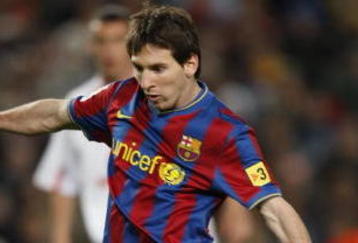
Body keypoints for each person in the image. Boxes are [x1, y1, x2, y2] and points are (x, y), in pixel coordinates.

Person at [0, 4, 311, 243]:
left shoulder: (226, 132)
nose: (147, 82)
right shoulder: (120, 98)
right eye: (139, 68)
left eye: (159, 69)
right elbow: (54, 114)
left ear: (190, 63)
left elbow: (274, 208)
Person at [32, 5, 133, 243]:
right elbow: (62, 180)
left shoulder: (163, 94)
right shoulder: (76, 104)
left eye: (118, 40)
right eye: (101, 40)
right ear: (90, 45)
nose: (109, 50)